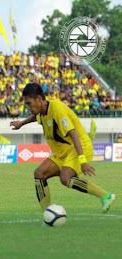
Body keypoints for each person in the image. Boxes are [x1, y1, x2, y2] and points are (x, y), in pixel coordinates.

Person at [10, 83, 115, 216]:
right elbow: (35, 117)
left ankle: (105, 196)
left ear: (39, 99)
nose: (28, 107)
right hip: (63, 152)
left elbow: (73, 134)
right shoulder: (41, 111)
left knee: (65, 178)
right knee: (39, 173)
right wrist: (21, 123)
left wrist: (83, 161)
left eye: (29, 103)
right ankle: (47, 214)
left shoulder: (57, 108)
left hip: (79, 146)